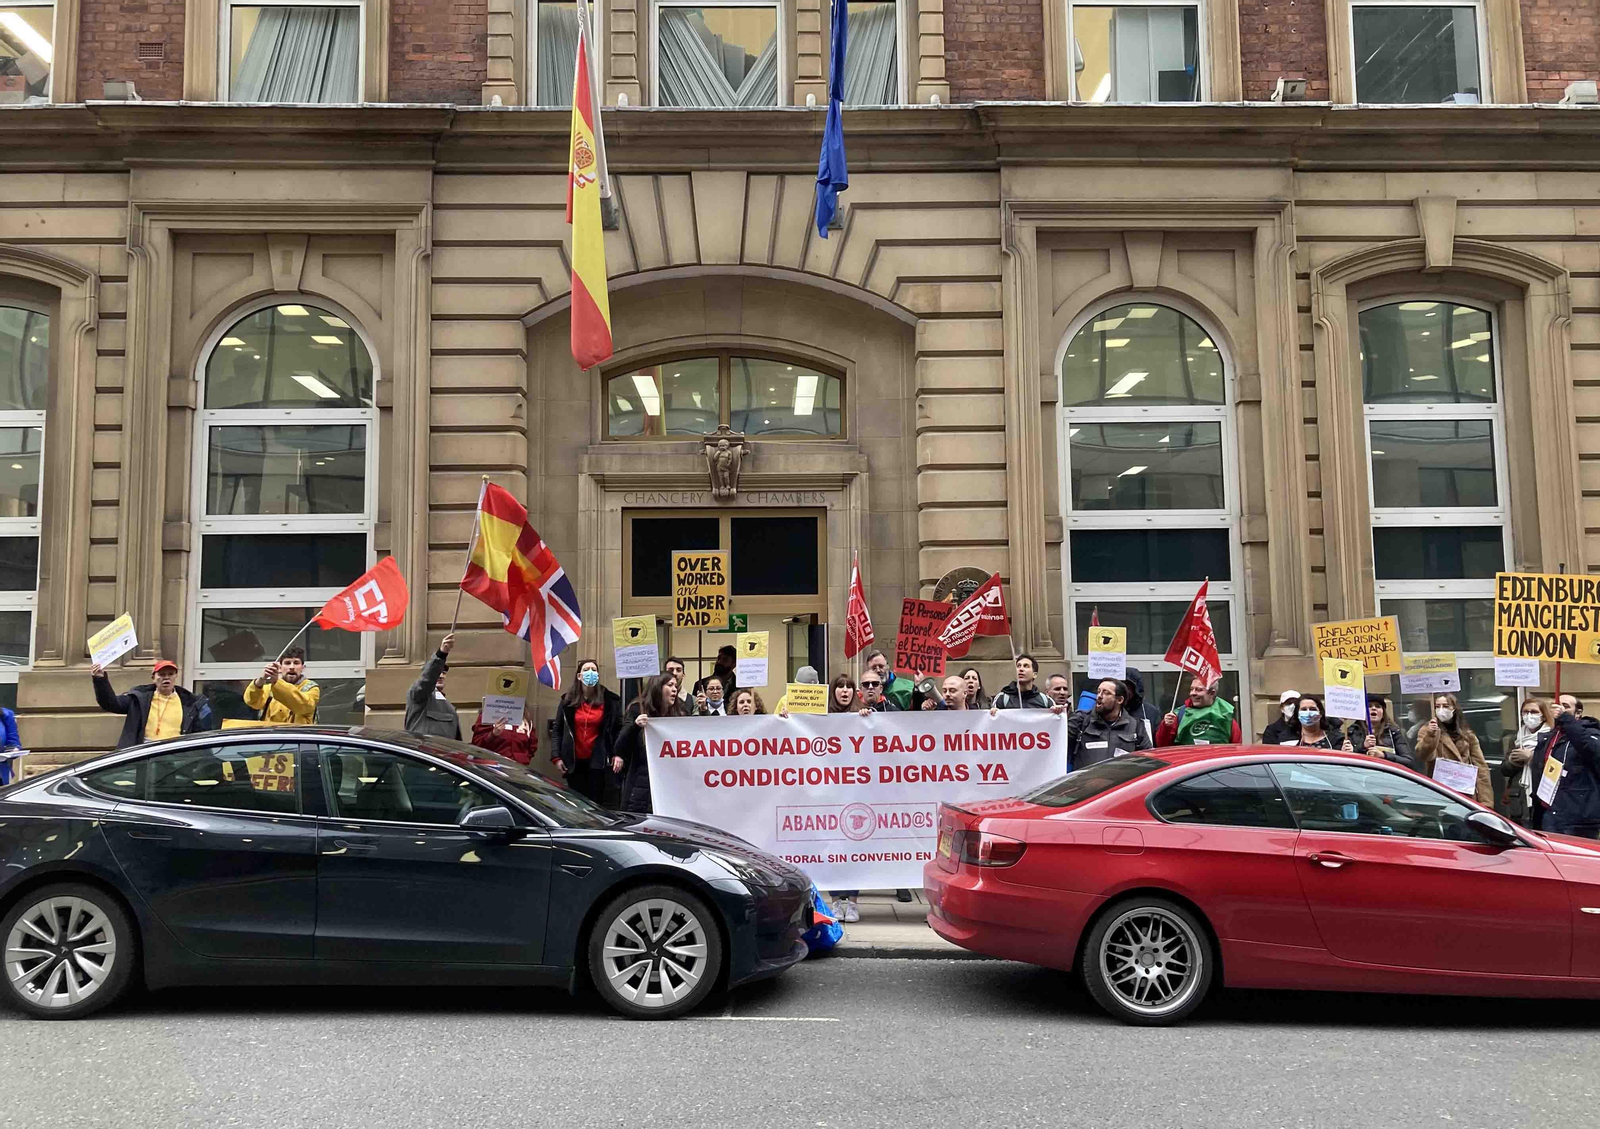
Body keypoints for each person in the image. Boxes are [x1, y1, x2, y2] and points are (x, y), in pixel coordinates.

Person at [92, 657, 215, 750]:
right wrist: (100, 680)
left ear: (176, 676)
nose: (166, 678)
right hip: (144, 753)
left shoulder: (190, 702)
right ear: (153, 677)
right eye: (161, 674)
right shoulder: (139, 698)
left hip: (175, 755)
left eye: (170, 674)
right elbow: (110, 703)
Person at [1529, 693, 1600, 838]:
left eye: (1565, 706)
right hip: (1551, 812)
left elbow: (1590, 748)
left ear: (1578, 713)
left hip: (1578, 816)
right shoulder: (1551, 736)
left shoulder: (1590, 732)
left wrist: (1566, 719)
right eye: (1556, 706)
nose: (1559, 709)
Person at [553, 658, 623, 803]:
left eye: (593, 670)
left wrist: (618, 754)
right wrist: (556, 757)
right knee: (576, 802)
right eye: (586, 670)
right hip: (573, 761)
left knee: (596, 801)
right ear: (579, 676)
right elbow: (558, 729)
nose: (590, 673)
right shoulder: (567, 701)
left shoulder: (610, 701)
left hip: (598, 761)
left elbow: (617, 730)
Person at [615, 674, 681, 814]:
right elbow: (620, 747)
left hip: (669, 784)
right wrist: (635, 725)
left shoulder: (679, 713)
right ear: (657, 687)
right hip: (641, 783)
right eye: (670, 685)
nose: (675, 689)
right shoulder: (637, 709)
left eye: (676, 685)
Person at [1414, 693, 1493, 806]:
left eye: (1446, 706)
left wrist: (1486, 802)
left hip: (1465, 792)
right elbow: (1425, 756)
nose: (1441, 710)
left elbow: (1480, 767)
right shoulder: (1428, 730)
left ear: (1454, 709)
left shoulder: (1466, 733)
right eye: (1437, 706)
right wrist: (1431, 735)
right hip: (1442, 791)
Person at [1067, 679, 1153, 768]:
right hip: (1086, 781)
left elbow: (1149, 761)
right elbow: (1057, 741)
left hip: (1122, 781)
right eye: (1098, 692)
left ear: (1119, 700)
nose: (1099, 696)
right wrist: (1057, 715)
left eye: (1106, 693)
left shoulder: (1136, 726)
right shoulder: (1081, 720)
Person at [1501, 697, 1551, 827]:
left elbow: (1556, 767)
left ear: (1543, 715)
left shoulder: (1551, 736)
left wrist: (1532, 757)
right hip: (1519, 797)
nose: (1529, 715)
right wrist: (1514, 761)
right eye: (1525, 712)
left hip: (1542, 794)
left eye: (1534, 712)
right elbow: (1505, 770)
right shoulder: (1517, 738)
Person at [242, 645, 320, 725]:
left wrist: (277, 682)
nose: (292, 667)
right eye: (287, 663)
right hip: (272, 736)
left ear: (303, 667)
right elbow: (252, 702)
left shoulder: (311, 688)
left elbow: (303, 706)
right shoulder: (269, 688)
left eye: (296, 663)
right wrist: (260, 680)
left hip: (298, 736)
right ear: (280, 667)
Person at [1156, 677, 1242, 746]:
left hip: (1217, 765)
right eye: (1191, 689)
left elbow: (1236, 747)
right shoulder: (1179, 715)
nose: (1192, 693)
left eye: (1199, 690)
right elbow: (1162, 745)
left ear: (1212, 693)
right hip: (1188, 765)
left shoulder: (1225, 715)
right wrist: (1166, 726)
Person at [405, 632, 460, 739]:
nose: (441, 676)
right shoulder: (418, 695)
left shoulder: (448, 705)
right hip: (423, 753)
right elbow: (427, 680)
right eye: (438, 672)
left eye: (444, 673)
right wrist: (441, 654)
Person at [1346, 696, 1417, 769]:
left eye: (1378, 706)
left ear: (1383, 713)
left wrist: (1384, 755)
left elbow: (1409, 762)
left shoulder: (1393, 732)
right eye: (1369, 706)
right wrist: (1362, 747)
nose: (1373, 708)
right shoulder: (1352, 732)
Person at [470, 716, 535, 765]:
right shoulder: (488, 716)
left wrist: (523, 759)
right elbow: (477, 745)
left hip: (519, 771)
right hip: (493, 770)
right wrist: (493, 735)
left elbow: (532, 746)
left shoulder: (525, 721)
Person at [1122, 667, 1161, 746]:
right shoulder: (1111, 710)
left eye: (1129, 687)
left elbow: (1158, 741)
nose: (1125, 691)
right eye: (1122, 686)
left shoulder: (1150, 712)